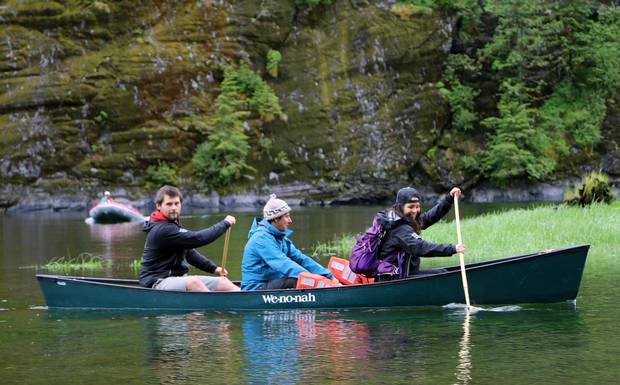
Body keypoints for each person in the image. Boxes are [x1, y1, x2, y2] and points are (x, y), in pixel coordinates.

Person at [139, 185, 240, 292]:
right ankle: (213, 307)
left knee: (223, 282)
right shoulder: (163, 229)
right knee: (193, 282)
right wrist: (225, 224)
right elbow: (198, 239)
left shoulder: (173, 225)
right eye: (169, 204)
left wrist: (214, 269)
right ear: (158, 206)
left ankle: (247, 299)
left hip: (177, 279)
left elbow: (189, 253)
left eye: (176, 203)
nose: (174, 207)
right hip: (156, 282)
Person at [241, 194, 338, 290]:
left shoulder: (279, 237)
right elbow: (284, 264)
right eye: (286, 216)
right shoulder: (261, 239)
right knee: (298, 279)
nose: (290, 220)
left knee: (302, 277)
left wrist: (329, 276)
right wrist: (314, 279)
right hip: (256, 288)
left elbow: (301, 259)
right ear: (275, 218)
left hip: (272, 282)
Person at [375, 186, 466, 280]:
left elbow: (429, 217)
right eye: (410, 207)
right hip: (394, 278)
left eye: (417, 206)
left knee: (442, 273)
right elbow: (420, 247)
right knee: (442, 276)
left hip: (406, 273)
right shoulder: (399, 228)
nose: (415, 211)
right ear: (400, 207)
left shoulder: (404, 219)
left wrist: (449, 198)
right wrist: (452, 248)